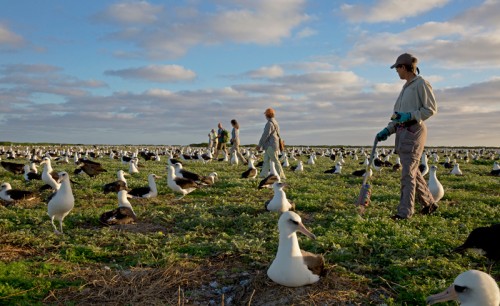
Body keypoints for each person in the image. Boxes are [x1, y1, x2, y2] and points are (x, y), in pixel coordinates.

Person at [376, 53, 437, 220]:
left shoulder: (421, 84)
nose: (396, 71)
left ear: (403, 67)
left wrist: (410, 116)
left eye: (397, 68)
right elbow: (397, 116)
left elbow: (430, 109)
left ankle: (405, 213)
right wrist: (387, 130)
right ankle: (429, 203)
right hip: (402, 132)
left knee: (407, 174)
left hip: (414, 131)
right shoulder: (405, 88)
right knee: (412, 171)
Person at [256, 108, 286, 179]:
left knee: (275, 160)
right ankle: (263, 175)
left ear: (267, 115)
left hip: (270, 145)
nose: (265, 116)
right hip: (273, 144)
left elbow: (265, 135)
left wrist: (259, 145)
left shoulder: (269, 123)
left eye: (265, 114)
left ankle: (281, 176)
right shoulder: (275, 122)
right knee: (266, 160)